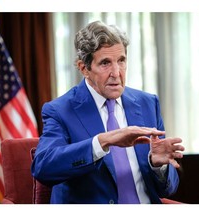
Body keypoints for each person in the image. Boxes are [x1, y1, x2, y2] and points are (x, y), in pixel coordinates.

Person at [31, 20, 185, 204]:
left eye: (121, 60)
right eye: (105, 63)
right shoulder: (60, 110)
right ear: (84, 68)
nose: (116, 72)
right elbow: (43, 168)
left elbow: (168, 188)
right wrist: (104, 141)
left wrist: (158, 165)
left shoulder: (148, 103)